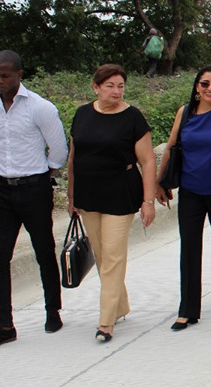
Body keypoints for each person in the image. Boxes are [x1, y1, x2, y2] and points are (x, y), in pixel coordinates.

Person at [0, 50, 68, 349]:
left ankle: (52, 311)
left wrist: (42, 173)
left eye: (5, 75)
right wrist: (8, 169)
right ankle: (4, 325)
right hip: (2, 189)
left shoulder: (40, 107)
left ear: (19, 74)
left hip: (34, 188)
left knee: (43, 250)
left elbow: (58, 150)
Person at [67, 64, 157, 342]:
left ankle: (106, 322)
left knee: (114, 256)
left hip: (120, 192)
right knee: (103, 255)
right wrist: (71, 196)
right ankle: (120, 305)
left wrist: (148, 200)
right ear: (96, 87)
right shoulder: (82, 114)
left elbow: (147, 161)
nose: (116, 91)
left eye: (120, 86)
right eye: (110, 86)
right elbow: (73, 158)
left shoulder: (132, 117)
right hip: (88, 194)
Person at [155, 66, 211, 330]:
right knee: (189, 248)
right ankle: (188, 310)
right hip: (189, 190)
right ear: (196, 86)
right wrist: (159, 181)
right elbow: (171, 146)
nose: (210, 89)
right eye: (205, 84)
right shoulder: (185, 112)